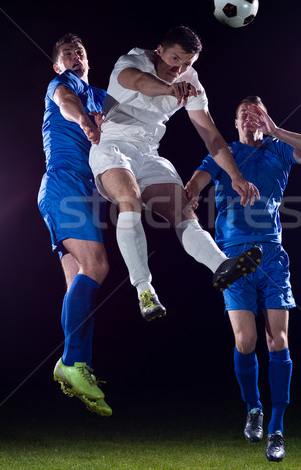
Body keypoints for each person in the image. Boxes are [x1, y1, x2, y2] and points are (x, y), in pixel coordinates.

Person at [185, 95, 301, 462]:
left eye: (256, 112)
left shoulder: (278, 150)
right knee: (246, 341)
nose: (250, 117)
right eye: (243, 113)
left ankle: (277, 430)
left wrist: (276, 129)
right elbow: (196, 181)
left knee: (277, 340)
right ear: (234, 124)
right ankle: (253, 408)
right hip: (233, 259)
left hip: (271, 256)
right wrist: (189, 196)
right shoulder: (224, 153)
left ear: (264, 117)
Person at [89, 26, 262, 320]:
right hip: (112, 145)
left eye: (187, 64)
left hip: (149, 153)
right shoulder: (131, 61)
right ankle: (144, 290)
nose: (178, 69)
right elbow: (140, 82)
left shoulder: (190, 82)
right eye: (174, 59)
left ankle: (221, 265)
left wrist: (235, 175)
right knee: (129, 201)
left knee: (183, 211)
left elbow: (212, 136)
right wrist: (169, 89)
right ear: (160, 50)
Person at [38, 33, 112, 417]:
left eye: (80, 51)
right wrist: (83, 117)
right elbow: (67, 105)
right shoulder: (63, 85)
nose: (75, 56)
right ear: (58, 65)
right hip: (63, 184)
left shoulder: (102, 95)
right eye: (67, 53)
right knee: (98, 265)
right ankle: (72, 360)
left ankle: (75, 365)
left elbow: (140, 114)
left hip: (85, 192)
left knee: (78, 287)